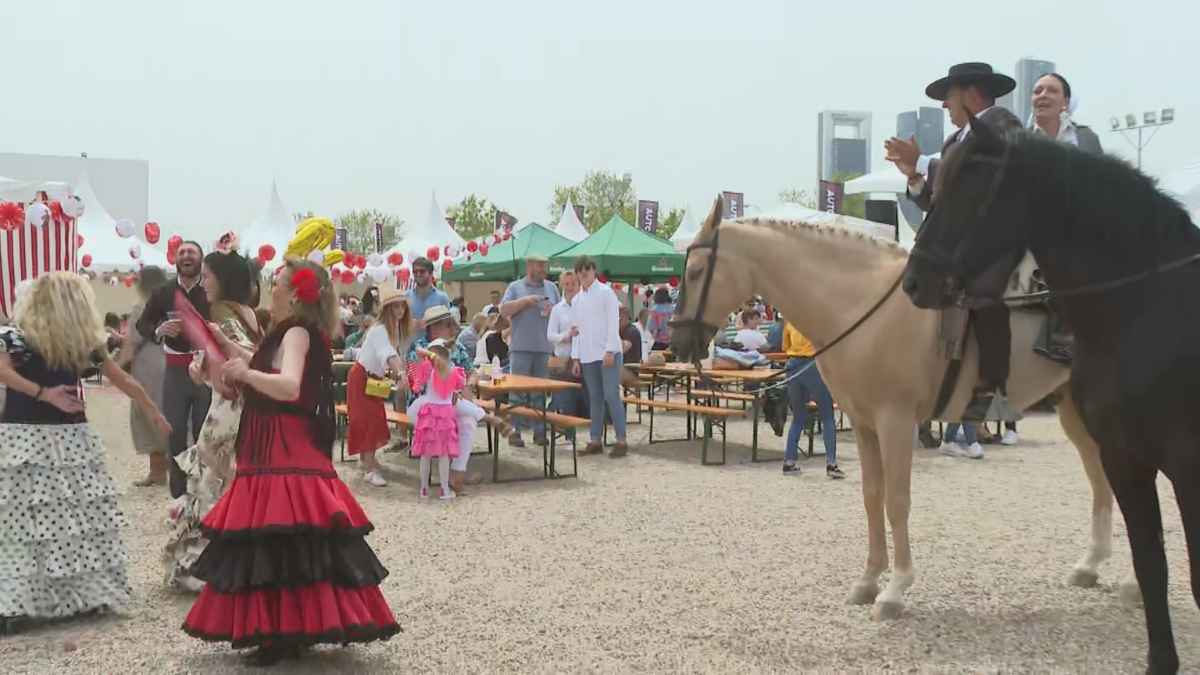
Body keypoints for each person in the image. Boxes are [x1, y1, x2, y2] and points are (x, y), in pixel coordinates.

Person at [181, 259, 399, 665]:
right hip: (278, 448)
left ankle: (281, 633)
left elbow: (288, 385)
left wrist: (246, 374)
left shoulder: (296, 333)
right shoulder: (290, 332)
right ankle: (289, 630)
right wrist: (228, 346)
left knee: (277, 541)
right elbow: (266, 363)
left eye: (279, 281)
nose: (273, 286)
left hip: (283, 448)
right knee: (291, 544)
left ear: (296, 294)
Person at [0, 273, 171, 633]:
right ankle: (33, 600)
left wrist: (152, 409)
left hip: (42, 437)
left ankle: (53, 599)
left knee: (39, 522)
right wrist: (44, 393)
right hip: (42, 437)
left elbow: (122, 378)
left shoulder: (74, 343)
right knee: (59, 521)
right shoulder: (16, 337)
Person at [885, 62, 1022, 422]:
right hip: (954, 243)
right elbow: (937, 202)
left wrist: (922, 161)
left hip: (994, 241)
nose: (945, 105)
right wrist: (914, 176)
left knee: (984, 293)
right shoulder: (952, 141)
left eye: (948, 96)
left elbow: (980, 177)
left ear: (971, 94)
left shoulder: (1003, 125)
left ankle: (994, 387)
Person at [164, 250, 263, 591]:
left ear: (222, 279)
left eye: (207, 276)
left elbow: (232, 372)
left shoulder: (222, 312)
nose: (203, 282)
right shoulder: (249, 312)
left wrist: (204, 372)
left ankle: (208, 567)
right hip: (245, 411)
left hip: (227, 414)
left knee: (212, 484)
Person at [135, 240, 213, 498]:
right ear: (175, 260)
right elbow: (142, 324)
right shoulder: (163, 292)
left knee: (205, 433)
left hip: (207, 372)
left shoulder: (211, 290)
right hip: (175, 372)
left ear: (200, 259)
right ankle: (178, 496)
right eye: (182, 252)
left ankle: (204, 493)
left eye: (191, 252)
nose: (186, 256)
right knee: (175, 432)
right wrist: (159, 330)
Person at [408, 305, 489, 493]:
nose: (449, 329)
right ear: (431, 328)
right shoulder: (420, 348)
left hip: (451, 402)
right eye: (444, 325)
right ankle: (452, 476)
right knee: (468, 414)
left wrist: (469, 384)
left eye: (448, 325)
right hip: (427, 405)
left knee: (468, 421)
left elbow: (471, 372)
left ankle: (457, 473)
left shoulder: (456, 347)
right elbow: (417, 380)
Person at [347, 288, 413, 487]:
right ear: (387, 309)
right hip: (362, 377)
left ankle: (367, 461)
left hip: (372, 378)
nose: (399, 310)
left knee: (374, 420)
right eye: (395, 306)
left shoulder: (392, 329)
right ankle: (369, 469)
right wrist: (401, 374)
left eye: (402, 306)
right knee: (367, 421)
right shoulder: (380, 329)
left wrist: (398, 373)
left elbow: (391, 356)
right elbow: (388, 354)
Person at [498, 254, 560, 447]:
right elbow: (503, 310)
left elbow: (560, 312)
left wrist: (552, 312)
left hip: (544, 349)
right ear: (529, 266)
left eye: (545, 266)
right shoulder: (515, 287)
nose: (543, 269)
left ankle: (539, 432)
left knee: (539, 393)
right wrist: (525, 302)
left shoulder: (552, 288)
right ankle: (515, 432)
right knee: (517, 392)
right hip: (520, 348)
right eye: (540, 265)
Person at [570, 256, 627, 457]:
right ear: (577, 274)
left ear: (594, 271)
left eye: (587, 269)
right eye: (580, 270)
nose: (584, 273)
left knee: (611, 395)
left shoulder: (606, 292)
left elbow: (613, 322)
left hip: (607, 353)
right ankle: (595, 440)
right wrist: (575, 357)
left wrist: (610, 350)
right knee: (595, 398)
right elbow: (576, 330)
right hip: (588, 355)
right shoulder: (576, 300)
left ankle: (621, 440)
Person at [117, 266, 170, 486]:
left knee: (147, 415)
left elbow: (132, 343)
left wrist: (117, 367)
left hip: (148, 366)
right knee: (170, 414)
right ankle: (176, 469)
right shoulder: (173, 306)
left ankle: (157, 472)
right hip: (172, 363)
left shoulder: (141, 307)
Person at [779, 321, 843, 479]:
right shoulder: (815, 320)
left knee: (798, 417)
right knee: (827, 415)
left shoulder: (790, 323)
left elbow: (784, 347)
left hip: (792, 365)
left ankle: (789, 461)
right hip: (813, 364)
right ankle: (831, 463)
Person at [408, 340, 467, 499]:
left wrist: (425, 357)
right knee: (444, 455)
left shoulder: (428, 369)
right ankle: (444, 489)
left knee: (425, 455)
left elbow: (417, 387)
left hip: (429, 413)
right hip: (446, 414)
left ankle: (424, 488)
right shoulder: (455, 371)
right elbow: (460, 387)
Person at [547, 270, 586, 418]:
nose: (570, 287)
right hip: (563, 362)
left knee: (586, 402)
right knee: (566, 402)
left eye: (573, 284)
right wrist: (566, 336)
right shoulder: (557, 309)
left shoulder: (585, 306)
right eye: (566, 284)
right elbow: (550, 335)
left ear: (579, 284)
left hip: (584, 359)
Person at [404, 257, 451, 331]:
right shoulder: (406, 296)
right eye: (415, 272)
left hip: (434, 338)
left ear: (431, 273)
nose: (418, 274)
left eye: (422, 271)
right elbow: (399, 323)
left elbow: (447, 325)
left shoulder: (442, 297)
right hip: (410, 338)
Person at [643, 286, 674, 351]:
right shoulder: (672, 308)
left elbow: (652, 328)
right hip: (672, 342)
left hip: (659, 342)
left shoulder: (655, 309)